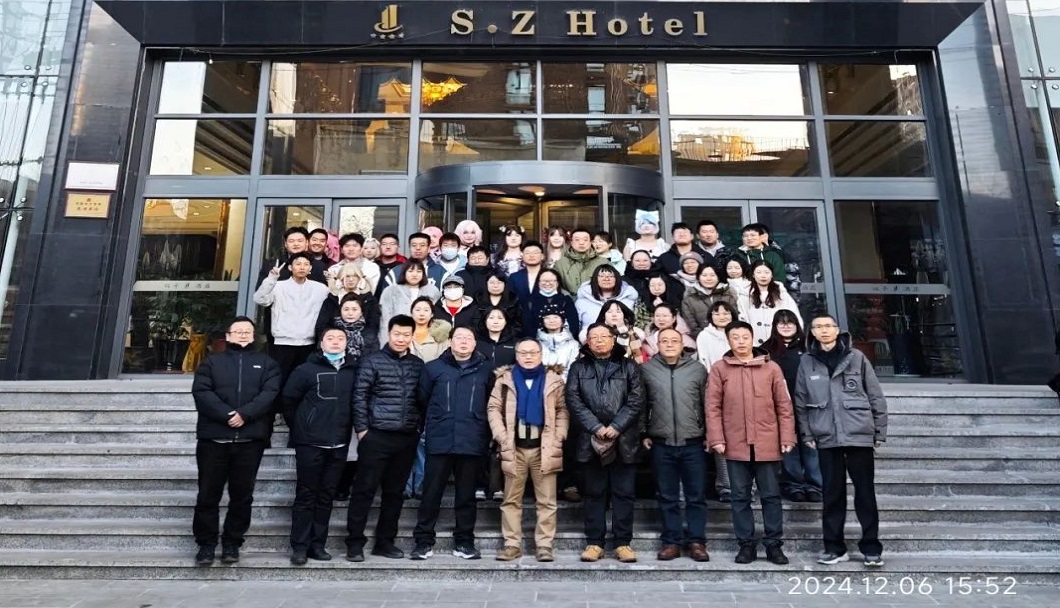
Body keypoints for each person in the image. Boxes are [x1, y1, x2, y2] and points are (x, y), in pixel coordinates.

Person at [795, 315, 888, 568]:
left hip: (858, 433)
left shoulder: (856, 357)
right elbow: (801, 401)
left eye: (828, 326)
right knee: (832, 494)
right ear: (812, 332)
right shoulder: (807, 361)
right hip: (826, 436)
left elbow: (875, 395)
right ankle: (834, 548)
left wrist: (879, 431)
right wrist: (807, 434)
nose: (824, 330)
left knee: (865, 493)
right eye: (818, 327)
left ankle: (871, 547)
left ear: (837, 330)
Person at [191, 317, 281, 566]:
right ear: (228, 336)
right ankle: (206, 545)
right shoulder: (212, 362)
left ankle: (232, 543)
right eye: (238, 331)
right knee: (208, 494)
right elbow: (202, 391)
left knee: (242, 495)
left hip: (250, 440)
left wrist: (245, 414)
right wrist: (227, 414)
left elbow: (270, 394)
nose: (243, 334)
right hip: (214, 439)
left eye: (247, 331)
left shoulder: (267, 364)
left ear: (254, 336)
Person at [706, 321, 796, 566]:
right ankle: (746, 545)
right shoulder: (720, 369)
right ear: (728, 341)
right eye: (735, 337)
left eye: (745, 336)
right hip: (735, 444)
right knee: (740, 497)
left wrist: (787, 436)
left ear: (753, 338)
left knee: (771, 496)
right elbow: (712, 407)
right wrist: (716, 438)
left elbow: (784, 406)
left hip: (768, 442)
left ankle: (774, 545)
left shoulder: (771, 368)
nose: (741, 341)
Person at [345, 315, 425, 562]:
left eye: (406, 335)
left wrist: (417, 428)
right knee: (364, 490)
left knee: (394, 493)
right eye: (397, 334)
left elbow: (421, 399)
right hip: (376, 436)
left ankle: (385, 542)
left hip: (405, 438)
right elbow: (359, 396)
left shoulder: (417, 364)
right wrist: (362, 430)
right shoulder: (372, 361)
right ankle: (354, 543)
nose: (401, 339)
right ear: (389, 334)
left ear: (412, 336)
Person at [409, 326, 494, 561]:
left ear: (475, 343)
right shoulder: (433, 368)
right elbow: (422, 400)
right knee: (431, 493)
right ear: (450, 341)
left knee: (466, 496)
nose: (463, 342)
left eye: (468, 338)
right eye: (459, 337)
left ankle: (464, 542)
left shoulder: (486, 370)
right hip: (440, 439)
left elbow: (491, 402)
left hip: (472, 439)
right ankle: (423, 542)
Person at [566, 323, 646, 563]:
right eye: (594, 337)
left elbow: (637, 399)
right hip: (589, 439)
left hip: (624, 439)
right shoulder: (578, 367)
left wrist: (616, 427)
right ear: (587, 341)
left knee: (624, 493)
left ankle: (623, 543)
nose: (599, 340)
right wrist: (596, 427)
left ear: (613, 339)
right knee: (593, 492)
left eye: (604, 336)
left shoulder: (629, 366)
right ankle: (594, 543)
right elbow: (573, 399)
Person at [488, 338, 569, 562]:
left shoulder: (553, 380)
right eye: (523, 353)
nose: (528, 356)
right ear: (516, 355)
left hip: (544, 448)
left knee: (547, 501)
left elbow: (562, 410)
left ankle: (544, 545)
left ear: (541, 355)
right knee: (511, 500)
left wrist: (559, 436)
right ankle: (512, 545)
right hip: (514, 448)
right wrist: (501, 436)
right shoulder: (505, 379)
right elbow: (493, 408)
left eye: (533, 352)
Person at [283, 327, 357, 565]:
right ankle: (299, 546)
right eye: (330, 338)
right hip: (310, 442)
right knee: (306, 494)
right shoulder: (305, 370)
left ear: (346, 343)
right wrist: (303, 427)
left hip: (339, 442)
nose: (335, 342)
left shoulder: (353, 370)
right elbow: (288, 401)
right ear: (321, 343)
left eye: (340, 338)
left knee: (326, 496)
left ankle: (317, 545)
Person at [641, 327, 710, 562]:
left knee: (696, 495)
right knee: (667, 495)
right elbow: (641, 403)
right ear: (657, 345)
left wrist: (709, 433)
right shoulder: (647, 370)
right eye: (664, 341)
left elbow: (707, 404)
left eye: (674, 341)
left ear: (682, 345)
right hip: (661, 442)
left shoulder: (697, 369)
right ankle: (671, 541)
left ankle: (697, 541)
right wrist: (643, 432)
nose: (669, 344)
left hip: (693, 441)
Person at [253, 253, 331, 433]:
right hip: (282, 343)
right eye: (298, 264)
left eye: (306, 264)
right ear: (290, 267)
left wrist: (333, 281)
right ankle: (271, 421)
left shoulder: (320, 289)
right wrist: (271, 279)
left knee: (303, 385)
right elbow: (260, 299)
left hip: (308, 344)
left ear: (310, 268)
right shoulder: (278, 286)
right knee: (277, 383)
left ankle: (298, 422)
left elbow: (335, 300)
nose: (302, 267)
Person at [763, 311, 822, 503]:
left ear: (797, 325)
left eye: (790, 323)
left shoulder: (809, 347)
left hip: (808, 404)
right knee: (788, 446)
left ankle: (815, 486)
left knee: (811, 446)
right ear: (775, 326)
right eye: (781, 323)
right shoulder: (766, 350)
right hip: (780, 406)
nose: (786, 326)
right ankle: (794, 485)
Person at [327, 295, 377, 502]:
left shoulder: (370, 333)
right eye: (346, 309)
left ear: (361, 312)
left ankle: (345, 485)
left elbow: (373, 361)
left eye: (354, 309)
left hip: (361, 389)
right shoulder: (331, 333)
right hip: (335, 390)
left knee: (355, 445)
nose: (350, 313)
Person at [407, 296, 453, 498]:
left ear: (432, 313)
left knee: (425, 443)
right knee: (406, 443)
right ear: (411, 312)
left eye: (426, 310)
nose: (421, 313)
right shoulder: (404, 334)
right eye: (417, 309)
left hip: (432, 394)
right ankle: (405, 486)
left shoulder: (441, 337)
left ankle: (420, 485)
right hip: (406, 394)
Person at [694, 300, 739, 503]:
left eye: (726, 312)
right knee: (720, 438)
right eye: (717, 313)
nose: (722, 316)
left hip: (740, 388)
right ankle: (725, 485)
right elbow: (704, 362)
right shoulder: (705, 336)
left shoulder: (739, 332)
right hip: (716, 388)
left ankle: (748, 485)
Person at [378, 260, 440, 347]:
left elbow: (437, 316)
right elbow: (385, 320)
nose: (414, 274)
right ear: (404, 272)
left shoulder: (432, 290)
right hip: (399, 337)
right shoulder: (391, 291)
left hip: (425, 339)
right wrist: (385, 344)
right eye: (410, 271)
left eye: (419, 271)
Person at [740, 260, 803, 346]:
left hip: (780, 344)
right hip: (754, 344)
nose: (763, 276)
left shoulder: (782, 294)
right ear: (753, 275)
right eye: (759, 272)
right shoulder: (745, 295)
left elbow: (794, 317)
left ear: (772, 275)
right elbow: (742, 320)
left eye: (767, 272)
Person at [316, 264, 380, 339]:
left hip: (363, 342)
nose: (351, 279)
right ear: (341, 278)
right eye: (347, 276)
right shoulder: (331, 299)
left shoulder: (369, 300)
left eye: (355, 276)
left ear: (359, 278)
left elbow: (373, 325)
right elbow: (321, 326)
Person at [256, 227, 328, 288]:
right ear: (285, 244)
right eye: (291, 241)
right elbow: (260, 293)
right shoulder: (271, 265)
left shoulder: (319, 266)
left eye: (300, 241)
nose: (296, 244)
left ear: (306, 243)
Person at [575, 264, 639, 331]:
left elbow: (636, 324)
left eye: (611, 276)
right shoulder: (581, 303)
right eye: (602, 276)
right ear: (595, 279)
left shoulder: (629, 300)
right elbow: (576, 327)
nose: (606, 279)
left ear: (617, 279)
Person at [682, 264, 739, 338]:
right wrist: (705, 337)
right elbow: (692, 324)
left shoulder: (728, 293)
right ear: (698, 277)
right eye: (704, 275)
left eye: (712, 275)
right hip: (704, 338)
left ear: (718, 277)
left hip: (730, 336)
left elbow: (735, 317)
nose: (708, 279)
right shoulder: (689, 298)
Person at [523, 268, 579, 339]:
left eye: (551, 281)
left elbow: (574, 325)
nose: (547, 283)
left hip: (565, 340)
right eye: (544, 281)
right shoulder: (530, 302)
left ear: (557, 283)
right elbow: (527, 326)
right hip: (538, 341)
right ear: (538, 283)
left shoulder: (566, 300)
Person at [554, 228, 607, 295]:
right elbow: (555, 284)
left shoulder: (603, 262)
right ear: (571, 243)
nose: (581, 243)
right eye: (577, 240)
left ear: (591, 242)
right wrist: (568, 297)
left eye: (585, 240)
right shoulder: (560, 264)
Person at [537, 303, 580, 380]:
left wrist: (559, 381)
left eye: (556, 317)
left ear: (563, 321)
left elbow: (573, 370)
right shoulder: (536, 344)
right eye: (547, 318)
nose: (551, 321)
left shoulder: (573, 344)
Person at [476, 272, 522, 337]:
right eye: (492, 283)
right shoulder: (478, 299)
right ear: (486, 284)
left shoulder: (513, 300)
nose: (495, 286)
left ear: (505, 284)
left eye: (499, 283)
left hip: (509, 337)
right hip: (481, 337)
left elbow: (518, 324)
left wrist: (508, 335)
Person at [508, 240, 545, 305]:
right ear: (522, 256)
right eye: (527, 253)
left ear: (542, 256)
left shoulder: (550, 276)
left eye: (535, 253)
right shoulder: (514, 277)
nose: (531, 255)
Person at [373, 233, 406, 298]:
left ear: (398, 247)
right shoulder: (373, 266)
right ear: (380, 247)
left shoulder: (403, 268)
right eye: (384, 244)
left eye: (392, 244)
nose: (388, 247)